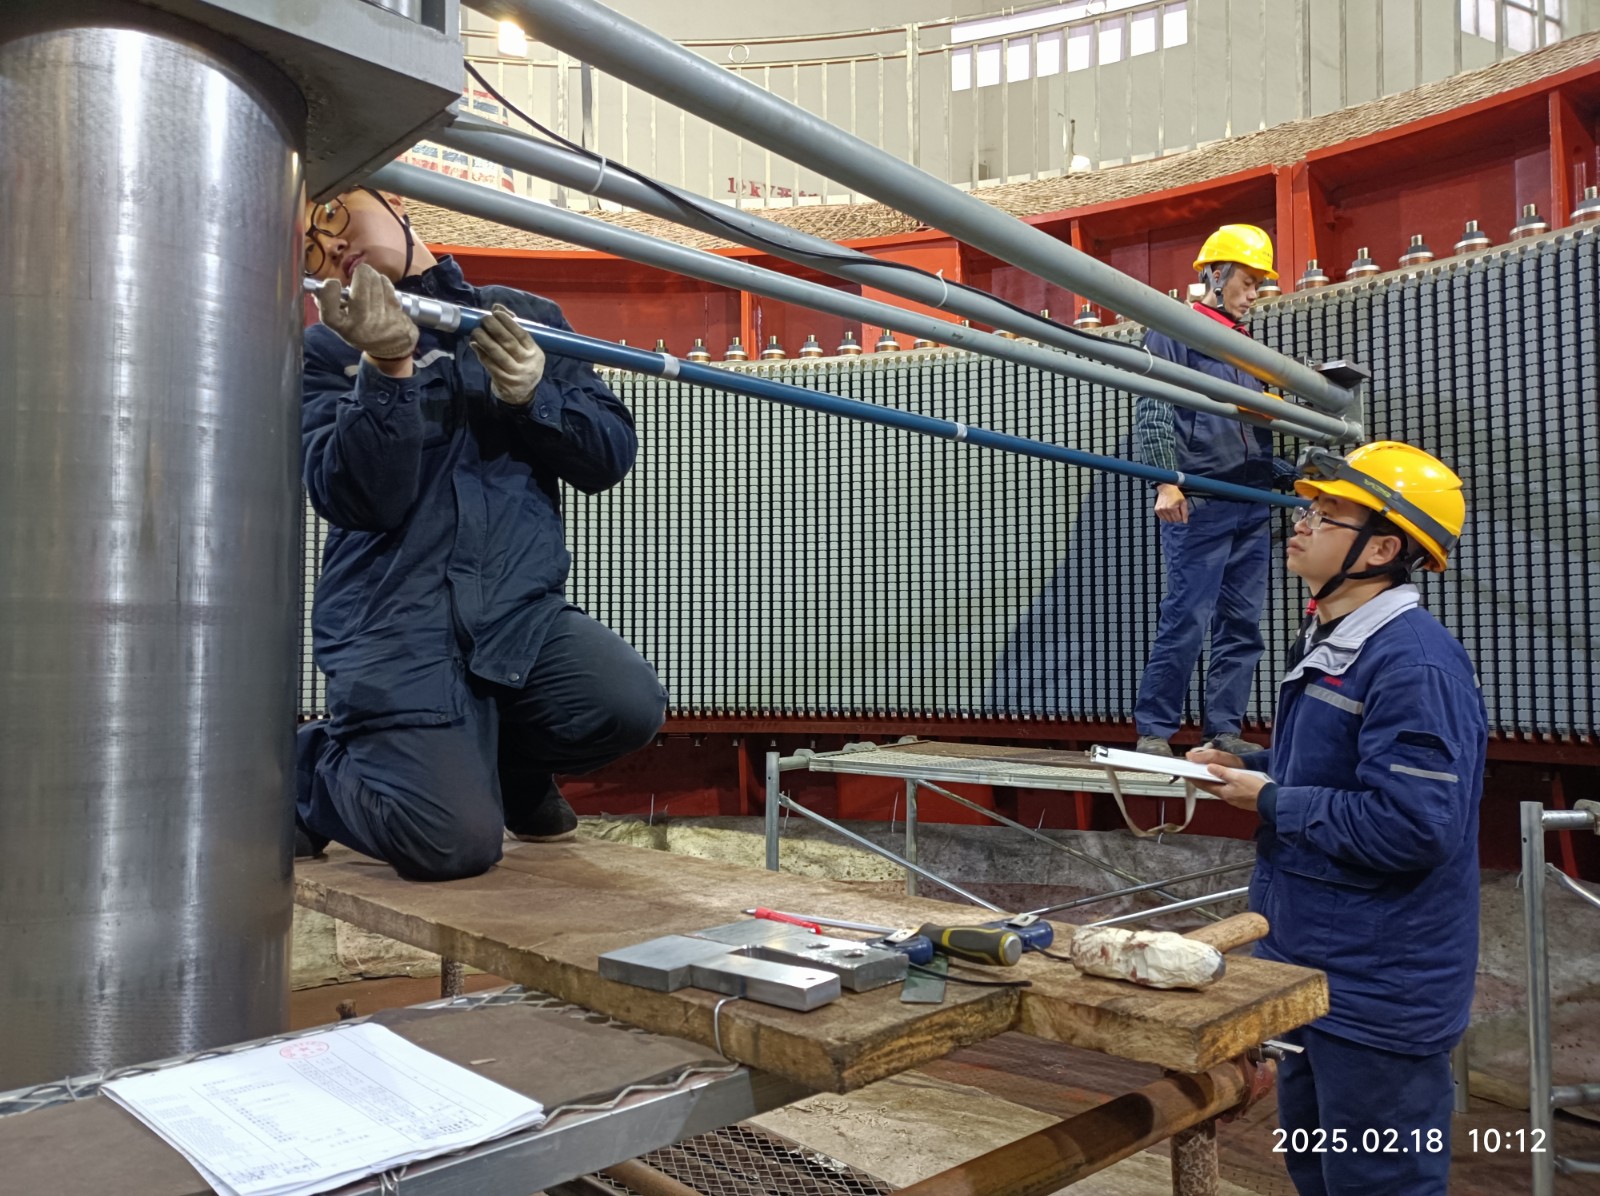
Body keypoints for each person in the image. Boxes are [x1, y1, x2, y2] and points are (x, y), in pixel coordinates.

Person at [294, 186, 667, 881]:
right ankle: (312, 770)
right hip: (395, 626)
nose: (331, 244)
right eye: (311, 248)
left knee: (624, 705)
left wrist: (535, 396)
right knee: (451, 845)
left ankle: (508, 770)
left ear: (396, 200)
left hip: (516, 617)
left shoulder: (526, 318)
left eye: (333, 215)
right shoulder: (323, 350)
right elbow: (357, 498)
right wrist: (385, 371)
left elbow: (608, 457)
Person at [1190, 441, 1484, 1196]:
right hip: (1313, 974)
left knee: (1379, 1182)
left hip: (1377, 994)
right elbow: (1339, 769)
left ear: (1381, 549)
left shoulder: (1413, 663)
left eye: (1326, 515)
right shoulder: (1333, 641)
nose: (1301, 522)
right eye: (1309, 509)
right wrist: (1247, 765)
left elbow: (1415, 826)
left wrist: (1271, 799)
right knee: (1317, 1173)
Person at [1132, 224, 1296, 758]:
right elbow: (1154, 408)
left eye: (1258, 287)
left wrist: (1290, 476)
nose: (1253, 296)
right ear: (1216, 274)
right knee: (1187, 618)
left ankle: (1223, 729)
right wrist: (1166, 482)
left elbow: (1247, 432)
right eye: (1247, 283)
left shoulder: (1244, 348)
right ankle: (1155, 731)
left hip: (1252, 502)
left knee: (1242, 624)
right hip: (1199, 501)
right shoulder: (1174, 330)